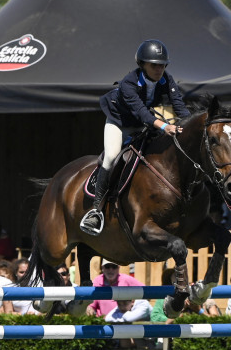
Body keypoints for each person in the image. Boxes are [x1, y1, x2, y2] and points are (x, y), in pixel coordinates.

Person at [80, 39, 191, 235]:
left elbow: (179, 105)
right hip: (119, 122)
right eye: (154, 65)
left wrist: (190, 125)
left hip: (142, 123)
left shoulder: (167, 79)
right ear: (142, 65)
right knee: (112, 156)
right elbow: (142, 112)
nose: (159, 69)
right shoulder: (128, 83)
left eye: (162, 65)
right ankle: (96, 210)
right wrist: (165, 125)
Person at [152, 267, 220, 321]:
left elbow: (217, 320)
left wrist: (199, 310)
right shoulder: (164, 299)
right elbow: (155, 317)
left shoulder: (207, 300)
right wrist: (178, 310)